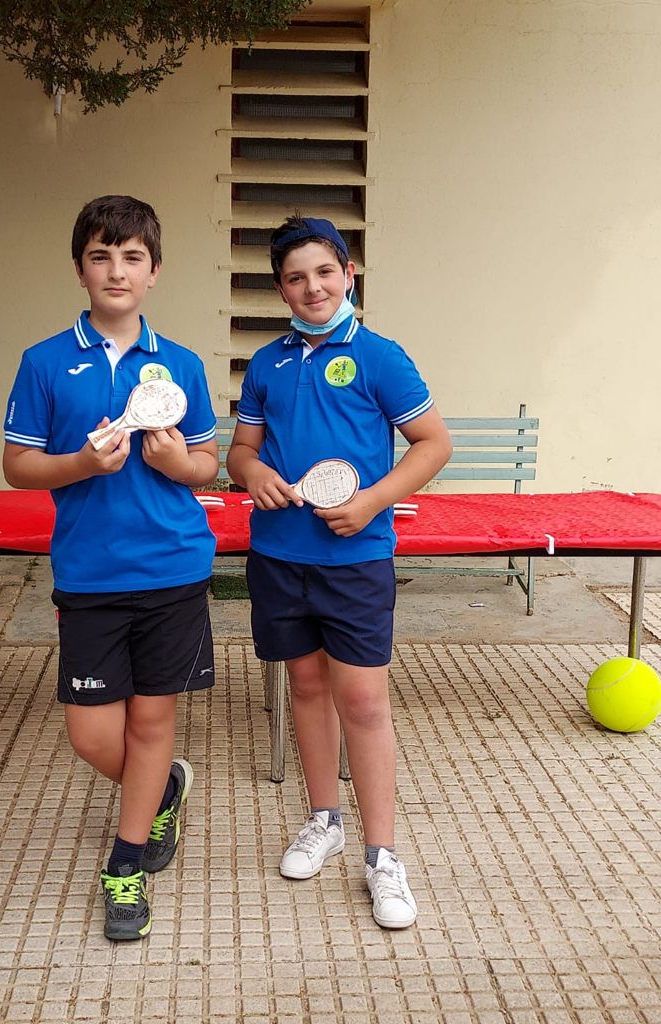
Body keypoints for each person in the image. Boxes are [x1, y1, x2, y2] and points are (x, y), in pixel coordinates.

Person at [2, 195, 219, 942]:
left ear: (154, 272)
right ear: (80, 269)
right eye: (101, 256)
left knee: (153, 720)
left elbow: (208, 462)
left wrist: (178, 464)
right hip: (90, 575)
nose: (116, 271)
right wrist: (79, 464)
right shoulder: (44, 362)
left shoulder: (181, 363)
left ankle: (125, 867)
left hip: (173, 568)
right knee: (92, 736)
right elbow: (18, 464)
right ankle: (162, 794)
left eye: (132, 257)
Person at [227, 216, 452, 929]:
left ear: (348, 274)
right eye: (295, 277)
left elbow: (432, 443)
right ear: (280, 289)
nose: (312, 287)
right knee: (305, 687)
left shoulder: (380, 356)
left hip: (355, 562)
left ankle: (382, 855)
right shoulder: (266, 364)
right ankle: (324, 819)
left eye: (325, 272)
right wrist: (253, 473)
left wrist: (373, 501)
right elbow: (240, 451)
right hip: (279, 556)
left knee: (363, 703)